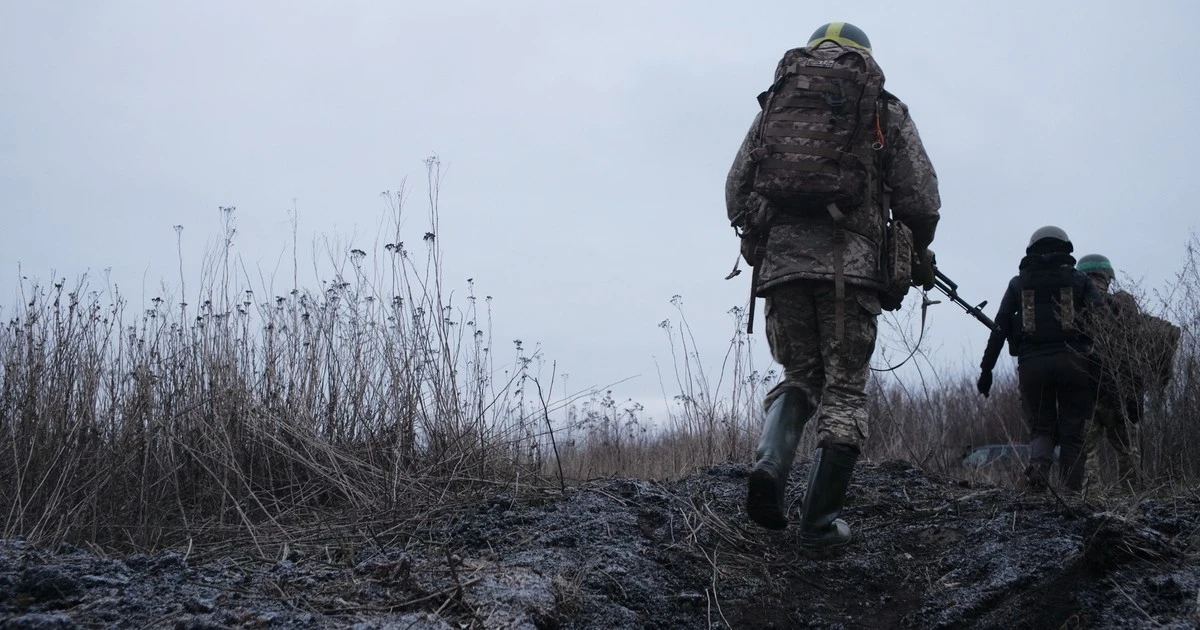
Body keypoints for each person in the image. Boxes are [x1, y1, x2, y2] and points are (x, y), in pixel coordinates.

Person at [727, 21, 940, 549]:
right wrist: (913, 249)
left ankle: (771, 468)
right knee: (844, 390)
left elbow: (736, 191)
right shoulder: (883, 110)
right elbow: (921, 200)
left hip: (782, 267)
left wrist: (764, 239)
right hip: (851, 268)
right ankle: (819, 523)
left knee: (799, 375)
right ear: (862, 58)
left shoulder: (775, 106)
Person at [977, 227, 1105, 493]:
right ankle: (1070, 494)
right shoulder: (1080, 281)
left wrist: (986, 370)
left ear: (1032, 249)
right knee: (1072, 433)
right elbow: (1106, 323)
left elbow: (999, 330)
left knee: (1042, 429)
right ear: (1065, 248)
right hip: (1075, 365)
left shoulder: (1018, 283)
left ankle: (1037, 486)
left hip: (1033, 367)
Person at [1077, 254, 1144, 491]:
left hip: (1085, 390)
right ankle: (1132, 497)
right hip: (1120, 391)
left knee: (1087, 452)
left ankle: (1091, 501)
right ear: (1107, 278)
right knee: (1127, 450)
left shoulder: (1075, 306)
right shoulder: (1124, 306)